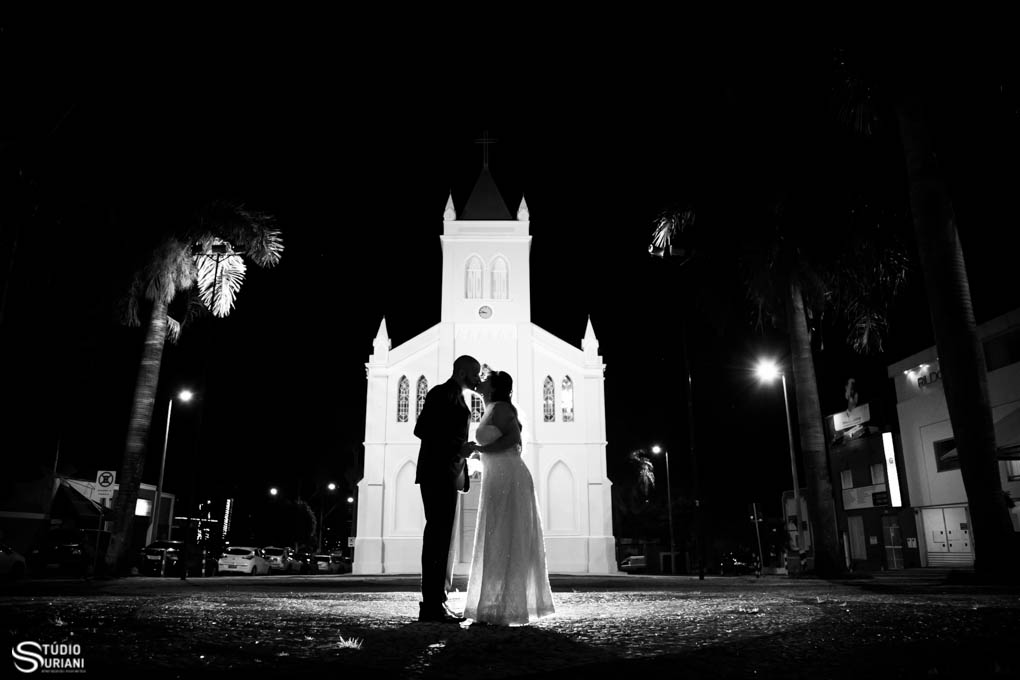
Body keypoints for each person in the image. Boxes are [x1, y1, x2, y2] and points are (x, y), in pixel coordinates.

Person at [464, 370, 555, 626]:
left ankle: (508, 606)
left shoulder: (501, 408)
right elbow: (500, 445)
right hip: (497, 477)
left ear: (492, 387)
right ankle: (497, 604)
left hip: (509, 478)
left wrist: (480, 448)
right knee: (497, 537)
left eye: (485, 379)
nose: (479, 381)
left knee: (505, 537)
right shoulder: (491, 406)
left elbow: (513, 440)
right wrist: (478, 455)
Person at [413, 355, 480, 624]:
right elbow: (422, 429)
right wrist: (458, 448)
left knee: (442, 541)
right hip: (436, 474)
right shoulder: (441, 393)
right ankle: (431, 605)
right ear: (463, 373)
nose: (478, 379)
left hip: (448, 474)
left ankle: (436, 602)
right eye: (475, 374)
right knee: (436, 541)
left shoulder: (458, 398)